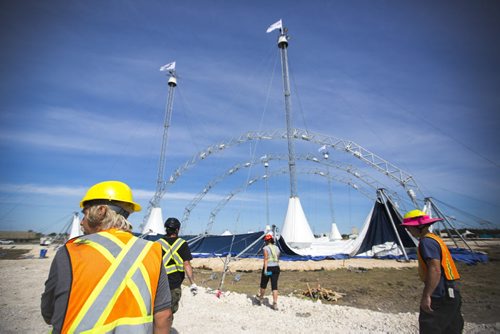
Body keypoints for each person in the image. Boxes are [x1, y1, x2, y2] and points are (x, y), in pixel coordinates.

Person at [41, 180, 173, 333]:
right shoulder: (151, 251)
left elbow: (49, 311)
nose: (82, 222)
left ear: (101, 211)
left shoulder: (71, 252)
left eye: (85, 214)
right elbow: (164, 315)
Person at [402, 209, 464, 334]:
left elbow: (435, 269)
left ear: (419, 226)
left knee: (430, 327)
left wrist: (427, 296)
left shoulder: (426, 242)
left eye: (409, 227)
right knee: (451, 329)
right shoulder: (435, 239)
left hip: (440, 295)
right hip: (452, 292)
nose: (408, 230)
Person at [157, 217, 197, 314]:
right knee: (169, 312)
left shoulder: (157, 243)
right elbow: (186, 264)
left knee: (157, 310)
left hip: (159, 283)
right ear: (177, 229)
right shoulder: (182, 244)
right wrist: (192, 283)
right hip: (174, 284)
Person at [256, 233, 281, 310]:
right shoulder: (277, 248)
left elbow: (266, 259)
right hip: (276, 268)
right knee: (274, 285)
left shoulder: (265, 248)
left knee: (263, 283)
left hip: (269, 268)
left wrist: (265, 270)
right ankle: (275, 303)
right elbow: (278, 256)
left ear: (266, 241)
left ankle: (261, 299)